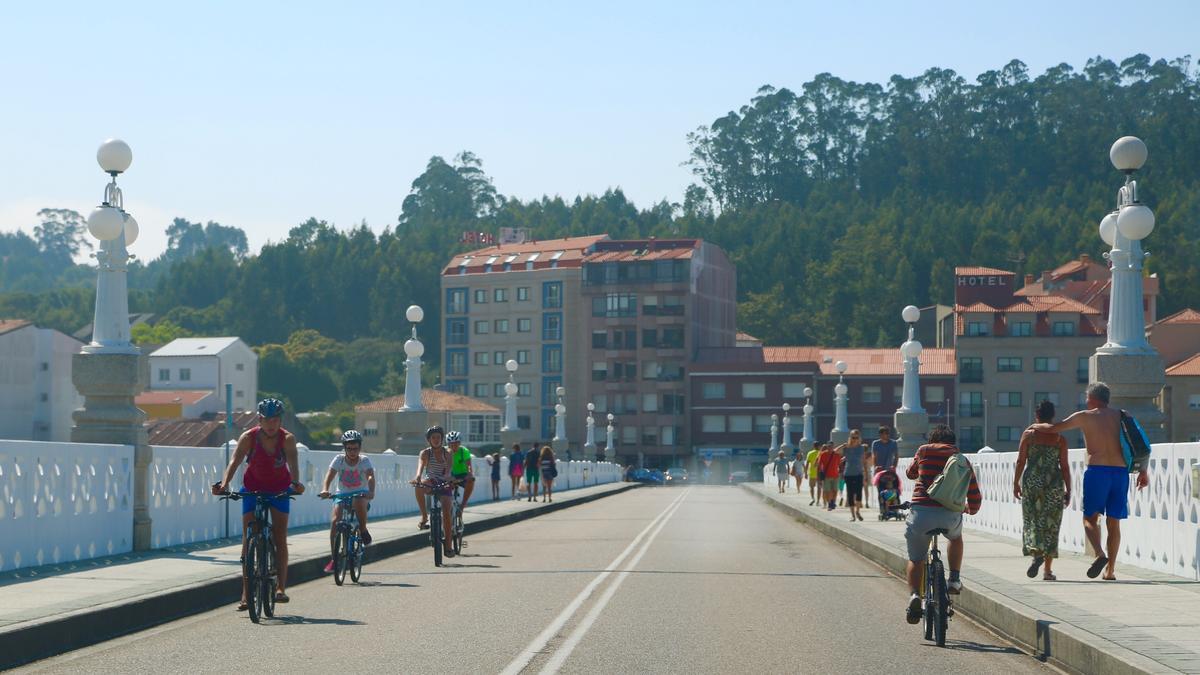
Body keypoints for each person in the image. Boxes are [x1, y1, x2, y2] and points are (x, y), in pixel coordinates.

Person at [1030, 382, 1148, 581]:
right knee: (1114, 523)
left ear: (1092, 398)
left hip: (1098, 471)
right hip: (1120, 473)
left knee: (1089, 519)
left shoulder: (1085, 416)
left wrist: (1035, 425)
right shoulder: (1123, 415)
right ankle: (1110, 571)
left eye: (1086, 397)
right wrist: (1143, 470)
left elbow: (1054, 428)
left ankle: (1100, 554)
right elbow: (1140, 442)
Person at [211, 397, 305, 609]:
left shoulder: (287, 439)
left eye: (275, 420)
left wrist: (296, 484)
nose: (271, 424)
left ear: (280, 420)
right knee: (248, 538)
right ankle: (245, 593)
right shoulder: (248, 438)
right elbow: (234, 462)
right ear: (259, 420)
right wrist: (224, 484)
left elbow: (294, 465)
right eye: (266, 420)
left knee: (280, 536)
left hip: (279, 489)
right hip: (252, 488)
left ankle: (280, 587)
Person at [904, 425, 982, 625]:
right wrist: (971, 508)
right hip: (949, 513)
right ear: (952, 441)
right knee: (955, 538)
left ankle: (914, 596)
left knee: (916, 559)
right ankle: (954, 579)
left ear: (932, 439)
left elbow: (910, 473)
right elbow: (973, 491)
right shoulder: (961, 459)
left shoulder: (923, 451)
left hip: (921, 512)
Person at [1014, 400, 1071, 581]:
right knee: (1051, 524)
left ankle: (1035, 554)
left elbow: (1021, 461)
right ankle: (1047, 571)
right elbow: (1065, 467)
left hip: (1033, 482)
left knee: (1032, 519)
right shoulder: (1059, 438)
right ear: (1053, 415)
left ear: (1036, 415)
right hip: (1054, 483)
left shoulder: (1029, 435)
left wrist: (1016, 482)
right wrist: (1069, 488)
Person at [319, 430, 375, 573]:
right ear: (344, 448)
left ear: (359, 448)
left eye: (355, 448)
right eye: (349, 449)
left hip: (360, 494)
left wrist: (370, 490)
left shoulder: (364, 460)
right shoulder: (339, 459)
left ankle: (362, 529)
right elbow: (330, 475)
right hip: (342, 494)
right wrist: (325, 489)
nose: (352, 452)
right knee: (334, 522)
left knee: (358, 500)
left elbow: (370, 476)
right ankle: (334, 558)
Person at [412, 426, 456, 558]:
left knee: (447, 514)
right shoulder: (425, 453)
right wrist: (418, 477)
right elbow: (420, 467)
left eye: (438, 437)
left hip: (444, 483)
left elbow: (448, 469)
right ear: (429, 440)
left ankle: (448, 546)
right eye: (433, 438)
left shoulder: (447, 453)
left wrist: (448, 477)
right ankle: (424, 516)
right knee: (419, 487)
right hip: (431, 481)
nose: (436, 440)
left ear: (442, 439)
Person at [836, 430, 868, 521]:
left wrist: (865, 475)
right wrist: (843, 445)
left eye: (856, 437)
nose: (855, 439)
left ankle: (858, 512)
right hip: (848, 474)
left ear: (859, 438)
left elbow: (864, 461)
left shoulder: (861, 448)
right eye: (853, 437)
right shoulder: (846, 448)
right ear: (850, 437)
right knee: (850, 494)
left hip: (858, 473)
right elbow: (835, 451)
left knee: (859, 493)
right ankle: (853, 515)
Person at [446, 431, 476, 510]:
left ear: (459, 443)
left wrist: (470, 474)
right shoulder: (445, 452)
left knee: (471, 482)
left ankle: (463, 505)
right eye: (451, 444)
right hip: (450, 474)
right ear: (448, 444)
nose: (453, 446)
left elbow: (469, 465)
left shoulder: (464, 451)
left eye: (456, 443)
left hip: (463, 474)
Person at [817, 443, 840, 511]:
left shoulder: (837, 455)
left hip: (835, 475)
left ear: (833, 447)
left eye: (831, 447)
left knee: (835, 490)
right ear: (827, 447)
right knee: (827, 491)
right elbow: (819, 465)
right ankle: (829, 504)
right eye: (829, 447)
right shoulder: (823, 454)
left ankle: (832, 502)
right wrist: (819, 477)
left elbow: (838, 464)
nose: (830, 448)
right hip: (826, 476)